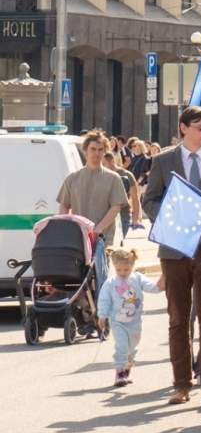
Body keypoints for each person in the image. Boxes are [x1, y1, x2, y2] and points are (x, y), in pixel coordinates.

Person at [142, 109, 201, 406]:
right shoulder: (163, 160)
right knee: (179, 318)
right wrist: (169, 217)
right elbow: (149, 200)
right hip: (175, 248)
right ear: (183, 128)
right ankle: (181, 383)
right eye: (200, 128)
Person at [58, 130, 128, 304]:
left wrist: (100, 228)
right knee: (77, 277)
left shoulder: (113, 179)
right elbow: (64, 205)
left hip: (102, 239)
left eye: (100, 150)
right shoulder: (73, 178)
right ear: (86, 151)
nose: (96, 153)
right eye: (93, 149)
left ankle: (101, 314)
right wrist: (64, 228)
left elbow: (116, 206)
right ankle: (83, 311)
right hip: (78, 239)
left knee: (99, 276)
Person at [97, 247, 163, 388]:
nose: (122, 273)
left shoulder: (137, 278)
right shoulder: (110, 283)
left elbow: (152, 287)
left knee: (133, 347)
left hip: (135, 321)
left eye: (126, 270)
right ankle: (119, 371)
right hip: (117, 321)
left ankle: (128, 369)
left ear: (132, 266)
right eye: (119, 270)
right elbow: (104, 300)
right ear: (114, 267)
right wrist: (102, 315)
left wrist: (161, 286)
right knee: (121, 345)